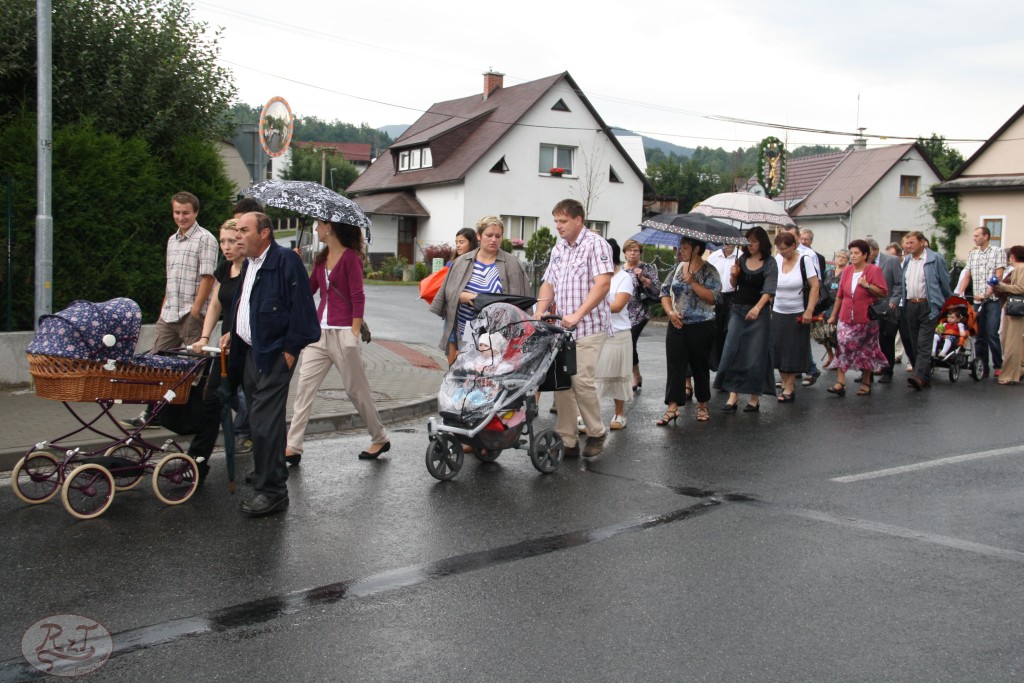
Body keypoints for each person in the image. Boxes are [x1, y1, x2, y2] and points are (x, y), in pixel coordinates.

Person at [224, 212, 320, 517]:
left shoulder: (284, 261)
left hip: (276, 354)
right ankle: (271, 474)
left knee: (263, 420)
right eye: (236, 230)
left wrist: (291, 349)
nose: (238, 236)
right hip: (252, 351)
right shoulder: (249, 264)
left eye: (243, 230)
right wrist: (233, 331)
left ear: (264, 233)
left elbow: (304, 311)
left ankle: (273, 492)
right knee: (263, 419)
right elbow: (247, 306)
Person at [286, 220, 390, 463]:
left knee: (357, 391)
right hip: (317, 334)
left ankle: (380, 437)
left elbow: (357, 296)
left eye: (319, 225)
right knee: (303, 390)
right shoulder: (321, 259)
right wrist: (295, 264)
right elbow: (307, 290)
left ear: (330, 228)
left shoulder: (351, 258)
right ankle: (293, 447)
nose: (316, 229)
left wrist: (354, 333)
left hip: (344, 333)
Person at [122, 191, 218, 428]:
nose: (181, 217)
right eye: (177, 212)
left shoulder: (206, 239)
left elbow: (208, 278)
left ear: (195, 212)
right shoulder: (171, 240)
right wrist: (163, 307)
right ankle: (151, 414)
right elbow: (170, 277)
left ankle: (196, 416)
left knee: (192, 368)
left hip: (191, 314)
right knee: (157, 364)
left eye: (186, 212)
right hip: (170, 312)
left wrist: (196, 310)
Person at [537, 199, 613, 458]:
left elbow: (603, 284)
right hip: (561, 330)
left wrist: (578, 315)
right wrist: (540, 311)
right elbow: (548, 282)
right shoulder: (559, 247)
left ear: (578, 220)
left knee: (582, 381)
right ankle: (567, 439)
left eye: (563, 221)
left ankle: (595, 432)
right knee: (562, 385)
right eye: (556, 221)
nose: (558, 226)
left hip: (589, 327)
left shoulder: (596, 244)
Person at [186, 218, 246, 481]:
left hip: (248, 350)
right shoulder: (224, 269)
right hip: (224, 351)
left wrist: (237, 332)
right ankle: (197, 463)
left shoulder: (254, 271)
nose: (226, 246)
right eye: (223, 241)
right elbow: (214, 306)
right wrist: (203, 336)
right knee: (211, 404)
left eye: (232, 241)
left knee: (257, 406)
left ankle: (272, 462)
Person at [430, 217, 529, 364]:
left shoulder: (512, 263)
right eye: (489, 235)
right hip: (467, 328)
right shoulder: (461, 262)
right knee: (468, 371)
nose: (493, 240)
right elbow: (448, 293)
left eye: (498, 236)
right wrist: (462, 296)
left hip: (498, 332)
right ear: (479, 236)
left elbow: (522, 299)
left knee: (493, 373)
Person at [657, 237, 722, 425]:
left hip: (702, 325)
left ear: (696, 249)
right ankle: (672, 407)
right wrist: (670, 312)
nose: (680, 251)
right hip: (677, 324)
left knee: (699, 365)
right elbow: (664, 292)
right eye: (680, 247)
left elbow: (713, 298)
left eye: (685, 248)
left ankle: (702, 405)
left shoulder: (710, 271)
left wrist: (693, 282)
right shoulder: (678, 268)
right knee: (675, 365)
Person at [715, 226, 777, 412]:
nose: (750, 244)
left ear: (762, 243)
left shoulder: (770, 262)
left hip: (759, 312)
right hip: (738, 309)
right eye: (748, 240)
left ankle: (754, 397)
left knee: (755, 354)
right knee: (731, 350)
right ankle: (732, 395)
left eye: (755, 241)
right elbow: (734, 285)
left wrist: (757, 308)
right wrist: (734, 275)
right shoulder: (741, 259)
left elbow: (769, 290)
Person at [825, 240, 889, 397]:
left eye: (856, 253)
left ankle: (866, 382)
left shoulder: (873, 270)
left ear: (865, 255)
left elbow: (883, 292)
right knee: (843, 344)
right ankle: (840, 382)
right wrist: (833, 315)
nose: (852, 256)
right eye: (851, 253)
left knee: (867, 350)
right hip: (846, 317)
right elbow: (840, 295)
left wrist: (866, 285)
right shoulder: (847, 271)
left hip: (866, 318)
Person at [901, 231, 953, 390]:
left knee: (924, 343)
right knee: (914, 342)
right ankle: (925, 376)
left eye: (912, 243)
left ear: (922, 242)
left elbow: (945, 282)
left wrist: (946, 302)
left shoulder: (934, 259)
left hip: (928, 305)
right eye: (907, 243)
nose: (909, 246)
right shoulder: (907, 260)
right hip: (911, 304)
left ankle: (917, 376)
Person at [772, 231, 819, 402]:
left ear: (794, 245)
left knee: (792, 351)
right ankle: (785, 383)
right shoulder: (777, 259)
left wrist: (809, 310)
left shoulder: (804, 260)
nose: (781, 252)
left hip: (797, 312)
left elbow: (815, 287)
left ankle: (790, 387)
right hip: (778, 311)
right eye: (779, 248)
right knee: (778, 349)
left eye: (784, 248)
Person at [958, 226, 1007, 378]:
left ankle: (998, 365)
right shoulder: (973, 254)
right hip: (977, 301)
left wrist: (987, 293)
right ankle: (982, 366)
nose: (974, 238)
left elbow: (998, 276)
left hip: (992, 300)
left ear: (986, 236)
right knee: (979, 335)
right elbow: (967, 275)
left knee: (992, 333)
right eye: (974, 235)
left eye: (977, 235)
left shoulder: (998, 252)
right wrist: (959, 293)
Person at [595, 239, 633, 429]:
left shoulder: (624, 277)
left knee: (618, 375)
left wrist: (592, 304)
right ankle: (590, 417)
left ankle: (619, 414)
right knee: (593, 376)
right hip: (596, 332)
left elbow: (617, 306)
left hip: (618, 334)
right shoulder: (595, 275)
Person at [435, 228, 481, 365]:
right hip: (452, 313)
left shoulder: (478, 264)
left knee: (465, 352)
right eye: (456, 242)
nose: (458, 245)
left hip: (468, 316)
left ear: (471, 243)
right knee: (451, 345)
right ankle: (451, 376)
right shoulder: (453, 263)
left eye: (462, 242)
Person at [621, 239, 660, 392]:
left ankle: (632, 377)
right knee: (627, 345)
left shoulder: (646, 267)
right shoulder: (620, 269)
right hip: (622, 312)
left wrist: (643, 279)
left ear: (640, 253)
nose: (632, 253)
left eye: (636, 250)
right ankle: (636, 374)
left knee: (629, 342)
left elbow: (658, 289)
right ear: (624, 253)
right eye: (630, 250)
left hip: (639, 313)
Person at [866, 238, 904, 383]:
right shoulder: (865, 264)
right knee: (868, 340)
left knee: (886, 340)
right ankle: (867, 372)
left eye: (868, 252)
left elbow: (899, 283)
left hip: (887, 307)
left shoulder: (891, 261)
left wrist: (894, 301)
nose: (866, 255)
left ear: (875, 249)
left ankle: (887, 370)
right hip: (869, 308)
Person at [994, 245, 1024, 385]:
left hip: (1016, 308)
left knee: (1012, 341)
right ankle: (1015, 371)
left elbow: (1021, 288)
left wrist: (1001, 286)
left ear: (1013, 256)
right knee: (1008, 339)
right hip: (1012, 307)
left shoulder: (1021, 269)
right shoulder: (1018, 269)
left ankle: (1011, 374)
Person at [707, 243, 738, 371]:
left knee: (729, 332)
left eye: (731, 243)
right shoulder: (714, 256)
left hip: (733, 297)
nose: (728, 245)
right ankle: (717, 364)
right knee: (716, 331)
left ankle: (728, 367)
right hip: (717, 296)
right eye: (726, 243)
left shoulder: (739, 257)